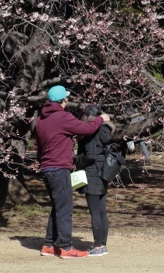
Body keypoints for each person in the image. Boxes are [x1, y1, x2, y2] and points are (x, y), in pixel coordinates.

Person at [35, 85, 108, 258]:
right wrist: (101, 119)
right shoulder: (62, 117)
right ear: (64, 100)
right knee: (65, 207)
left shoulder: (41, 119)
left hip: (47, 167)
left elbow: (37, 146)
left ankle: (48, 245)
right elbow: (86, 129)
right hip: (59, 167)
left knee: (57, 206)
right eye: (67, 98)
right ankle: (66, 247)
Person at [75, 104, 115, 256]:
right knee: (101, 211)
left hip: (92, 173)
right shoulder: (105, 130)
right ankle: (102, 244)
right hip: (103, 173)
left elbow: (90, 155)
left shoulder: (91, 133)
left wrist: (77, 160)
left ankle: (98, 246)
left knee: (95, 212)